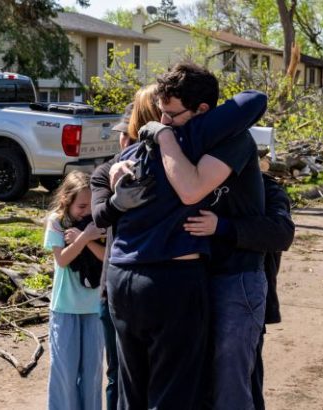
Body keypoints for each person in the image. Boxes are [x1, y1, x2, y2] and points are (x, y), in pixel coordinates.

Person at [94, 63, 268, 409]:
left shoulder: (189, 139)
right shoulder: (158, 146)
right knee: (172, 393)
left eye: (171, 113)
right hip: (167, 280)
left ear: (203, 111)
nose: (162, 120)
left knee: (219, 386)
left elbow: (255, 99)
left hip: (219, 275)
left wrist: (163, 136)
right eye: (158, 113)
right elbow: (103, 208)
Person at [183, 170, 295, 410]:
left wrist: (222, 227)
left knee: (240, 384)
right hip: (196, 295)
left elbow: (281, 232)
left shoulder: (266, 187)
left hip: (242, 297)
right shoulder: (195, 181)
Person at [90, 83, 162, 410]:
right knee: (117, 375)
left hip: (155, 282)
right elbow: (100, 216)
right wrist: (119, 201)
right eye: (120, 134)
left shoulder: (162, 161)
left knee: (149, 378)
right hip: (114, 286)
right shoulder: (106, 171)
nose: (122, 139)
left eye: (126, 133)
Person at [44, 170, 106, 410]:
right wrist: (83, 239)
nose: (87, 212)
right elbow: (62, 260)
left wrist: (88, 238)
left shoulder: (98, 222)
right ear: (65, 202)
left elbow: (105, 257)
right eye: (81, 206)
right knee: (65, 375)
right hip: (65, 308)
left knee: (92, 374)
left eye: (91, 205)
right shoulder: (56, 222)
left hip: (93, 308)